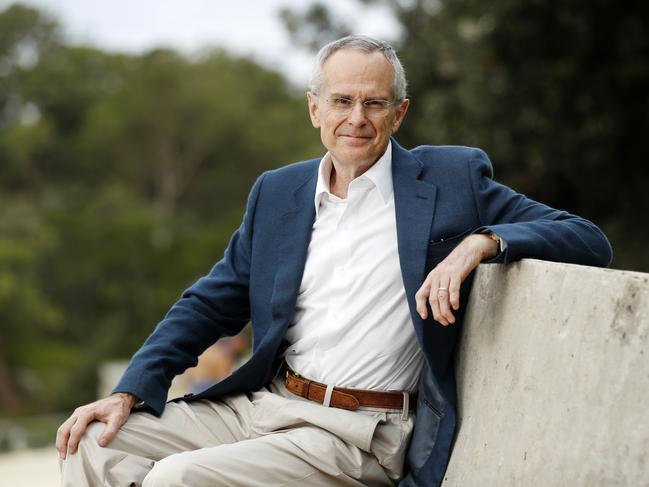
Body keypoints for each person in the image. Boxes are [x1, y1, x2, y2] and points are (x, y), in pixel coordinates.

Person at [56, 35, 612, 487]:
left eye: (374, 103)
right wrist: (128, 391)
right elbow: (211, 301)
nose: (357, 118)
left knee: (180, 480)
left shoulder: (450, 180)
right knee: (93, 446)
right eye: (343, 101)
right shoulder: (278, 192)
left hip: (359, 433)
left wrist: (483, 241)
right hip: (265, 403)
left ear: (400, 113)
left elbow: (586, 238)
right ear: (314, 107)